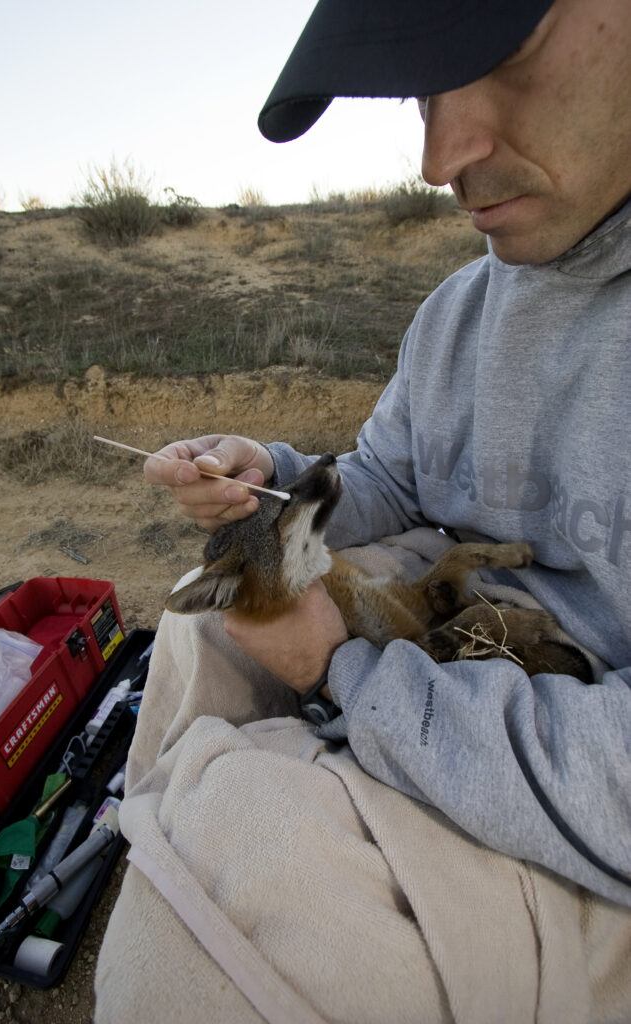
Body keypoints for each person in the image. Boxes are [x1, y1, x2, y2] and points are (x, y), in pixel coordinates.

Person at [95, 2, 631, 1021]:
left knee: (220, 923)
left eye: (495, 50)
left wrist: (346, 672)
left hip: (572, 759)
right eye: (421, 91)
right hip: (444, 660)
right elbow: (391, 476)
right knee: (201, 622)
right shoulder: (461, 311)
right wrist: (279, 486)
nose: (438, 155)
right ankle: (165, 835)